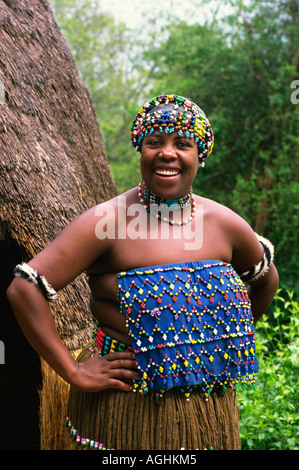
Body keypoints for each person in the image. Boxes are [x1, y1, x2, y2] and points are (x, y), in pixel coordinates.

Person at [7, 94, 279, 450]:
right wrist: (73, 372)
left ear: (200, 156)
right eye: (155, 142)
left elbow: (264, 280)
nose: (167, 153)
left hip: (208, 407)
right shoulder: (107, 222)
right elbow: (24, 288)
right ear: (141, 150)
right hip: (126, 404)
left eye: (182, 143)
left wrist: (217, 339)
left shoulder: (224, 224)